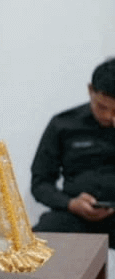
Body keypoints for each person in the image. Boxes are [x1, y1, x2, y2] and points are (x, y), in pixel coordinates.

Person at [31, 57, 115, 245]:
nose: (109, 116)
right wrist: (70, 204)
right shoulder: (63, 124)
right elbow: (40, 183)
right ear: (90, 90)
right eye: (102, 107)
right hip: (76, 214)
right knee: (42, 237)